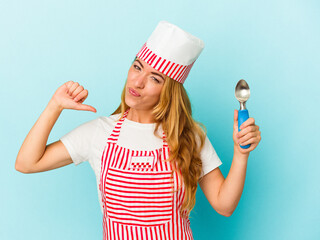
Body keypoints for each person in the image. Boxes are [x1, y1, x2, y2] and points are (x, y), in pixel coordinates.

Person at [15, 21, 261, 240]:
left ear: (169, 91)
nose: (137, 82)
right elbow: (27, 163)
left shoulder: (189, 136)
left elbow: (224, 205)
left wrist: (241, 153)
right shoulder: (99, 133)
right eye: (137, 67)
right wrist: (54, 106)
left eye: (155, 78)